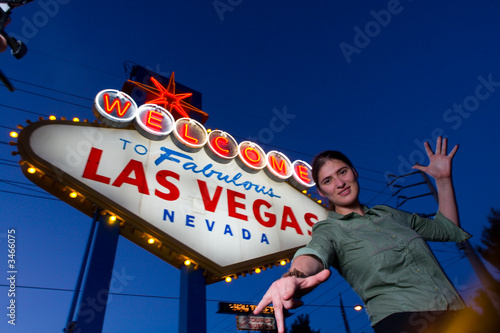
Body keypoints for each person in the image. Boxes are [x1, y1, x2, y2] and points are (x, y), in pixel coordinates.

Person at [254, 137, 472, 333]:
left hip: (459, 314)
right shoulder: (329, 229)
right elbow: (313, 253)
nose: (339, 183)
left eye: (342, 172)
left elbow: (448, 229)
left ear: (354, 172)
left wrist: (443, 180)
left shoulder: (390, 214)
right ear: (321, 191)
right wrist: (293, 277)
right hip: (403, 322)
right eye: (327, 181)